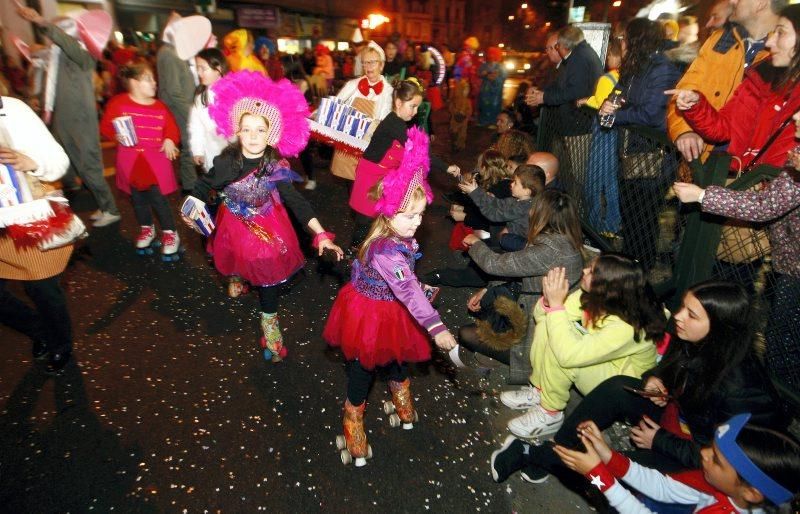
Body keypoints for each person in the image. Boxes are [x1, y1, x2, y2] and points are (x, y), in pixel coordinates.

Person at [491, 281, 785, 484]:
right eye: (682, 307)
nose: (679, 317)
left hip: (703, 457)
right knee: (618, 388)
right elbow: (670, 369)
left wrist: (660, 441)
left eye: (691, 314)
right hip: (676, 420)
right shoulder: (693, 338)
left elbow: (720, 458)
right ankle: (560, 449)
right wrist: (655, 379)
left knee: (622, 473)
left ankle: (540, 457)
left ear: (720, 328)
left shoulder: (739, 389)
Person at [186, 71, 343, 362]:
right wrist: (193, 203)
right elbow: (204, 183)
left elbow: (295, 199)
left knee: (267, 267)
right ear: (237, 131)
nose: (253, 136)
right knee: (235, 255)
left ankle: (268, 320)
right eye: (247, 129)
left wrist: (320, 233)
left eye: (260, 130)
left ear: (270, 133)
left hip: (267, 218)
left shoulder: (275, 164)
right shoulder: (226, 161)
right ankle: (237, 275)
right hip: (233, 220)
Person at [323, 126, 457, 467]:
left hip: (392, 309)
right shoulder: (386, 251)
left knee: (398, 354)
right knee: (365, 365)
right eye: (408, 215)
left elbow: (409, 282)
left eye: (420, 215)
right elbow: (407, 288)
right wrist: (436, 326)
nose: (415, 222)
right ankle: (353, 415)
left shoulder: (400, 238)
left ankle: (401, 394)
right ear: (387, 213)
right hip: (369, 312)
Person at [673, 110, 800, 390]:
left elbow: (765, 205)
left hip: (795, 271)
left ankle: (779, 407)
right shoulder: (796, 155)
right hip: (790, 263)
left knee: (783, 346)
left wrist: (702, 195)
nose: (796, 116)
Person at [501, 255, 665, 439]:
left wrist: (556, 306)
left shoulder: (627, 327)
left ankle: (550, 413)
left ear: (608, 285)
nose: (584, 271)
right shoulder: (589, 296)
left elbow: (567, 355)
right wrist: (549, 302)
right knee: (551, 325)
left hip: (622, 389)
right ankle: (540, 390)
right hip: (603, 367)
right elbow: (543, 319)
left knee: (564, 352)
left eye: (592, 272)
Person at [452, 190, 585, 381]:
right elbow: (520, 268)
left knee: (467, 334)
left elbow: (494, 264)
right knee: (485, 318)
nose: (529, 212)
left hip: (539, 333)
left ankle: (528, 369)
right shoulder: (562, 240)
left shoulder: (549, 250)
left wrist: (476, 243)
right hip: (535, 314)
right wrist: (487, 289)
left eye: (534, 209)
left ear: (542, 215)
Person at [556, 415, 800, 514]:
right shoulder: (726, 488)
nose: (703, 454)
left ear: (751, 493)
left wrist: (598, 476)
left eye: (715, 459)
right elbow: (663, 487)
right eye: (711, 449)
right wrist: (608, 457)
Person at [16, 5, 121, 227]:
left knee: (89, 164)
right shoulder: (56, 55)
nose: (56, 32)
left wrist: (41, 22)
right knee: (74, 162)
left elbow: (65, 42)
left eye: (60, 27)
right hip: (62, 119)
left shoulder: (83, 53)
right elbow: (45, 74)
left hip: (79, 119)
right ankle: (102, 205)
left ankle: (110, 208)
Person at [666, 4, 800, 171]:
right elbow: (725, 126)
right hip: (726, 174)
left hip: (753, 187)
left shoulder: (766, 67)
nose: (732, 1)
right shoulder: (758, 74)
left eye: (781, 32)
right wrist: (693, 109)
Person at [0, 95, 74, 374]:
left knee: (41, 289)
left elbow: (58, 162)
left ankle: (60, 343)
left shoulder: (13, 111)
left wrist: (28, 161)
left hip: (29, 217)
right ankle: (39, 329)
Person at [600, 18, 681, 270]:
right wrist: (609, 103)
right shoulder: (636, 65)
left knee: (644, 216)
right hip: (631, 151)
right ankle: (630, 264)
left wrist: (615, 115)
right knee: (630, 211)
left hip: (653, 157)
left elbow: (653, 115)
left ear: (637, 40)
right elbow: (621, 92)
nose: (620, 42)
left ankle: (641, 269)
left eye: (624, 38)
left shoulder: (662, 68)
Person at [349, 78, 458, 248]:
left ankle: (369, 254)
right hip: (370, 176)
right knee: (365, 220)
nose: (415, 112)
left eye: (417, 107)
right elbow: (419, 152)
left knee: (377, 220)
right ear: (398, 102)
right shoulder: (394, 123)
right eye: (412, 106)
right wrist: (446, 167)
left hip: (382, 175)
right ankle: (352, 255)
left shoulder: (400, 123)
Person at [99, 59, 182, 259]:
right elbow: (105, 127)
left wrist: (170, 139)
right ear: (134, 82)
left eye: (153, 78)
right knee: (138, 200)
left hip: (155, 162)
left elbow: (171, 129)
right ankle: (147, 228)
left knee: (159, 199)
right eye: (148, 79)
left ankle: (170, 233)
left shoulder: (160, 107)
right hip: (131, 163)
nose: (154, 82)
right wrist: (114, 136)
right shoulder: (118, 103)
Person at [329, 41, 394, 181]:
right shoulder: (353, 84)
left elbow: (384, 121)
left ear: (381, 65)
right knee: (347, 180)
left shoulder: (388, 91)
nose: (367, 66)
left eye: (372, 62)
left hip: (369, 144)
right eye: (364, 62)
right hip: (348, 141)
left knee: (364, 182)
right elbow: (335, 103)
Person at [579, 38, 623, 237]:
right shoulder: (627, 77)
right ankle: (614, 223)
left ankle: (596, 224)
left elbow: (601, 103)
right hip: (617, 134)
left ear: (612, 55)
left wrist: (586, 101)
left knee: (595, 180)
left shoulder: (607, 78)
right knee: (612, 179)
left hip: (603, 133)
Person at [157, 13, 200, 194]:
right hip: (179, 107)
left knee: (188, 144)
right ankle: (190, 187)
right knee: (189, 144)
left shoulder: (175, 51)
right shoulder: (169, 54)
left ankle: (189, 181)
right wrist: (191, 111)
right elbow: (173, 91)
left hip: (182, 105)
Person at [458, 164, 544, 252]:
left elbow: (493, 215)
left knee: (482, 248)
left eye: (515, 182)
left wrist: (475, 193)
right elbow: (497, 203)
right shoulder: (520, 200)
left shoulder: (522, 208)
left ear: (527, 191)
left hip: (513, 246)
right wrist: (477, 190)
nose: (511, 184)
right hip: (508, 236)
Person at [189, 48, 230, 173]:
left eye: (203, 68)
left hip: (236, 153)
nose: (199, 73)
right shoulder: (200, 98)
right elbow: (196, 127)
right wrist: (198, 150)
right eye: (198, 68)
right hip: (213, 152)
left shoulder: (233, 92)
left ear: (219, 69)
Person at [477, 47, 507, 127]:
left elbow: (504, 76)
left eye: (493, 54)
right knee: (484, 104)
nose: (491, 56)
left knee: (495, 105)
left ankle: (494, 122)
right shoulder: (484, 65)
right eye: (489, 54)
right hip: (485, 89)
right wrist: (484, 74)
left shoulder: (501, 66)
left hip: (496, 89)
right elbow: (479, 74)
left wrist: (495, 77)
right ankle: (483, 121)